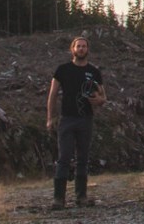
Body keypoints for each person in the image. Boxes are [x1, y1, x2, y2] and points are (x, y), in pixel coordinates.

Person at [47, 36, 106, 209]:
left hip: (85, 120)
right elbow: (52, 95)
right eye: (78, 46)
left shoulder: (94, 72)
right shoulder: (62, 70)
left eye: (84, 46)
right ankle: (59, 199)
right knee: (64, 158)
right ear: (72, 49)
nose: (81, 49)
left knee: (83, 159)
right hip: (67, 119)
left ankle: (81, 197)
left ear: (88, 49)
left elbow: (103, 96)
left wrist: (99, 100)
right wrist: (50, 118)